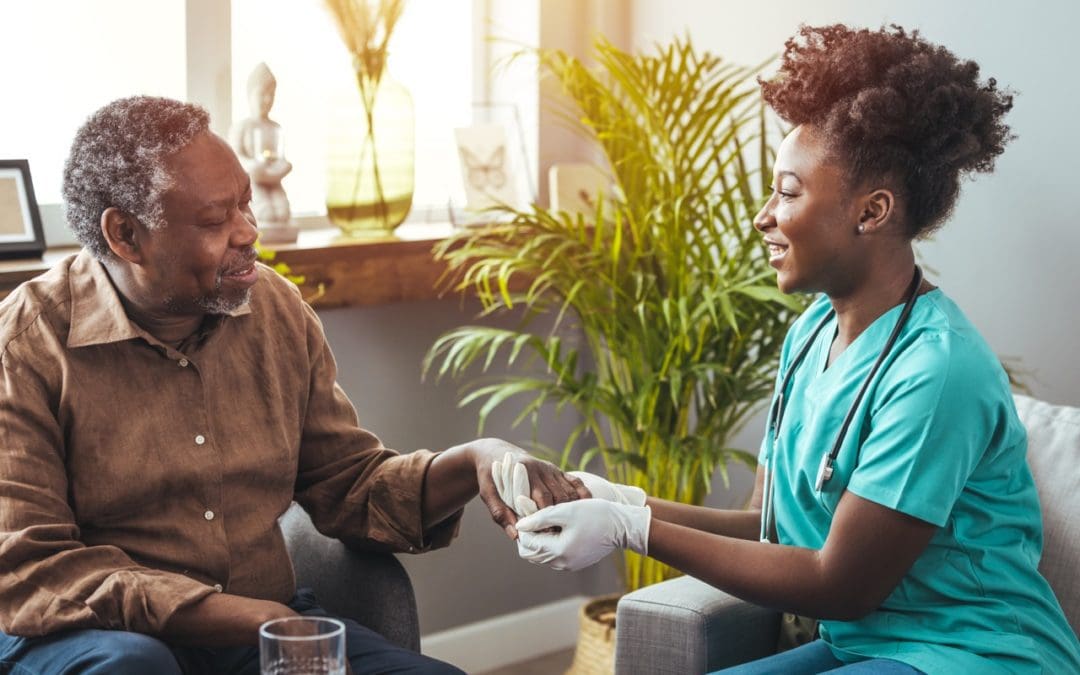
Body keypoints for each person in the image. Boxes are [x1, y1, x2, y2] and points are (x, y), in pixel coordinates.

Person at [504, 24, 1080, 674]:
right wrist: (622, 502)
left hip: (976, 655)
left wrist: (635, 533)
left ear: (873, 211)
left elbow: (842, 584)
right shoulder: (810, 333)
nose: (763, 215)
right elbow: (768, 523)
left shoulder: (938, 371)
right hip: (863, 648)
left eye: (789, 190)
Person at [0, 95, 587, 674]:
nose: (248, 232)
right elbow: (31, 566)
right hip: (94, 637)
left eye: (245, 206)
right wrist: (244, 617)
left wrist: (475, 459)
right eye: (214, 220)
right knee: (137, 665)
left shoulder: (273, 308)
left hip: (264, 625)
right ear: (125, 235)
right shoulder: (27, 345)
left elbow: (348, 483)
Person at [228, 62, 292, 227]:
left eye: (271, 95)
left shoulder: (275, 127)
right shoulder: (241, 127)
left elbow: (280, 158)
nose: (267, 100)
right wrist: (254, 167)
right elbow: (235, 158)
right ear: (250, 95)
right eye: (262, 94)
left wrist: (282, 167)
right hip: (253, 181)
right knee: (266, 213)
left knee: (282, 212)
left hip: (273, 179)